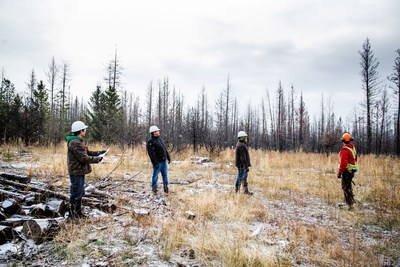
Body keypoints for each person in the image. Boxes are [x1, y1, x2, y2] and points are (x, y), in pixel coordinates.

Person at [66, 121, 106, 219]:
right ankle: (73, 215)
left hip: (79, 170)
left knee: (79, 192)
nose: (85, 131)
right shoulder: (75, 142)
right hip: (76, 171)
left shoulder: (79, 141)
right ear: (80, 131)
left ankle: (78, 213)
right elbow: (83, 157)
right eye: (84, 129)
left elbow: (87, 153)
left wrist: (100, 153)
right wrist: (98, 160)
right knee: (76, 192)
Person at [146, 125, 171, 194]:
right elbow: (151, 154)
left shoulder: (159, 139)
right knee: (155, 176)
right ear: (153, 133)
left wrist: (168, 157)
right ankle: (154, 189)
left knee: (165, 176)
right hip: (158, 162)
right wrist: (155, 163)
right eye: (157, 131)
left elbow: (164, 149)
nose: (158, 132)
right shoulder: (150, 142)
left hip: (164, 161)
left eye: (158, 131)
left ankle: (166, 188)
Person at [337, 132, 358, 210]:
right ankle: (350, 201)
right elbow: (355, 159)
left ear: (343, 141)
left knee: (345, 187)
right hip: (352, 170)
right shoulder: (352, 148)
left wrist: (339, 172)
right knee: (348, 186)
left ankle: (349, 204)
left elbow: (343, 163)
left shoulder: (345, 150)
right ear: (350, 140)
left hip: (346, 171)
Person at [235, 131, 253, 195]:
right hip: (242, 166)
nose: (246, 139)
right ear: (241, 138)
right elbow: (243, 158)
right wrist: (245, 167)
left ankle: (245, 191)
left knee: (244, 178)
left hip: (241, 165)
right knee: (240, 177)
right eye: (245, 137)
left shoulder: (240, 144)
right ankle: (236, 191)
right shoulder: (241, 146)